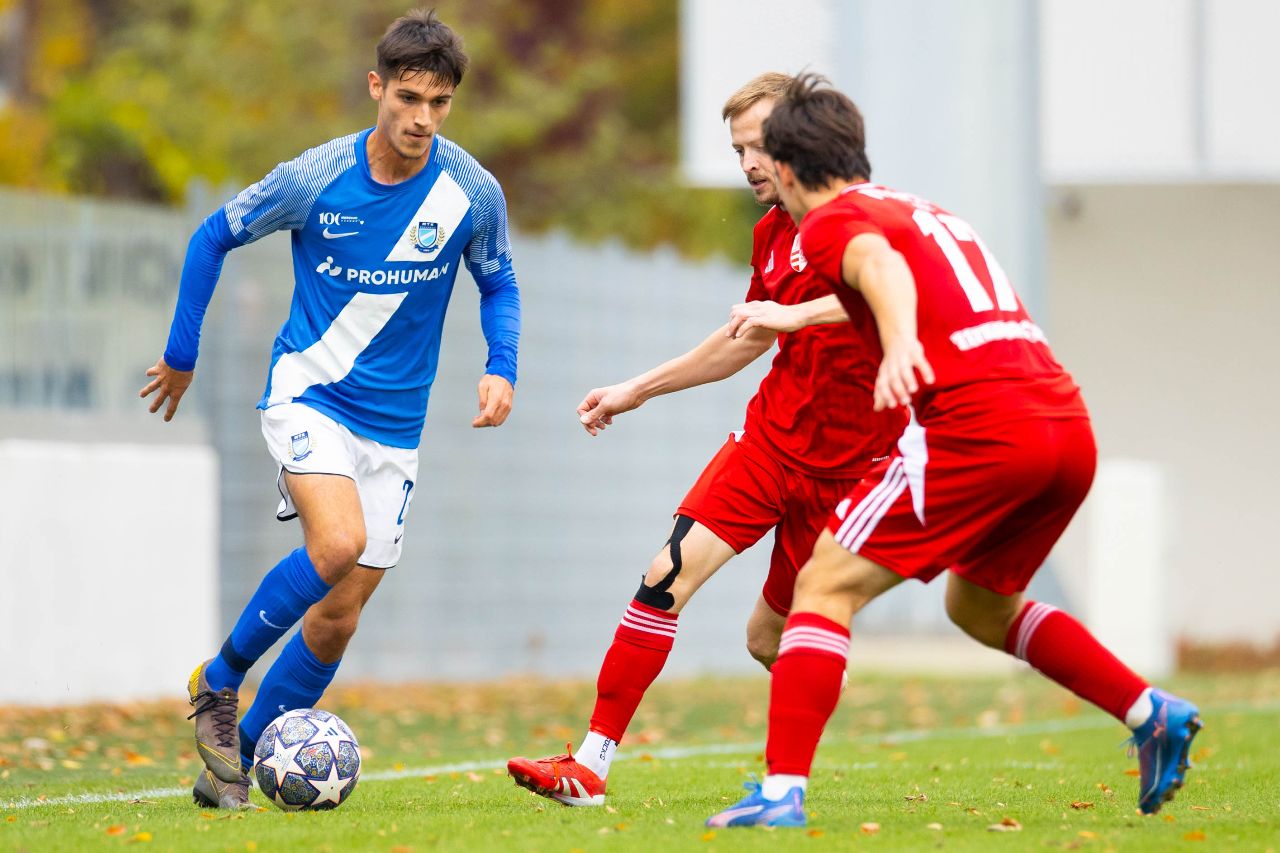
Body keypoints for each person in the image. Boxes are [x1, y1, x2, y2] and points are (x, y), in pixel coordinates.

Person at [705, 74, 1200, 829]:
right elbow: (894, 268)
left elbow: (879, 268)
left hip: (979, 428)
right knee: (980, 605)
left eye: (766, 158)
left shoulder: (830, 222)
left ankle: (779, 795)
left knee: (823, 583)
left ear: (796, 169)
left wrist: (900, 341)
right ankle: (1148, 711)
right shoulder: (926, 211)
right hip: (1063, 426)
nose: (759, 173)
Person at [140, 9, 520, 809]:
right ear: (376, 86)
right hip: (308, 392)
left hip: (395, 429)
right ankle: (218, 679)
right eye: (408, 98)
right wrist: (181, 351)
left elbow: (499, 283)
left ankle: (232, 766)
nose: (422, 119)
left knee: (338, 616)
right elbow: (212, 236)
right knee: (338, 543)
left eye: (440, 103)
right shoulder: (315, 178)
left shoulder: (472, 192)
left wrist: (501, 366)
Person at [506, 73, 903, 807]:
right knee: (666, 574)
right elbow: (744, 338)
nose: (749, 163)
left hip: (852, 472)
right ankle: (590, 765)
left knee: (767, 640)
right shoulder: (771, 233)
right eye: (738, 150)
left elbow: (891, 295)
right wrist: (636, 388)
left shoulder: (862, 223)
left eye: (759, 146)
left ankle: (807, 696)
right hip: (770, 443)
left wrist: (795, 316)